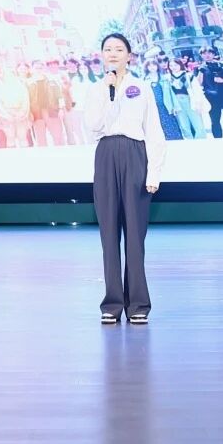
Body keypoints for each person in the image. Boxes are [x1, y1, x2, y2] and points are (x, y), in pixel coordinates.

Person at [82, 33, 167, 326]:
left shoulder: (142, 87)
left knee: (134, 234)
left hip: (135, 154)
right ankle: (112, 304)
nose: (113, 53)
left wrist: (154, 172)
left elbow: (153, 130)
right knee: (108, 235)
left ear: (129, 56)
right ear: (102, 55)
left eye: (119, 49)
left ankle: (139, 304)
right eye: (108, 49)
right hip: (106, 153)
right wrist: (110, 94)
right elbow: (92, 127)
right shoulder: (96, 89)